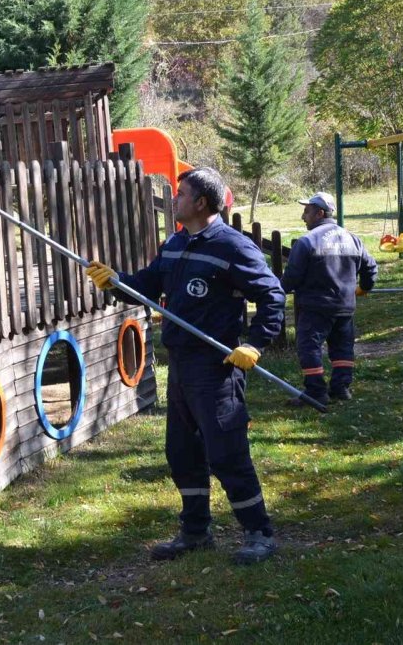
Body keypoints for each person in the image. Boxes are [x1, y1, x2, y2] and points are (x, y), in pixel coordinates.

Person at [86, 167, 285, 565]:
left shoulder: (233, 247)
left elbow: (272, 295)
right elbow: (148, 285)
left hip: (216, 367)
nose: (174, 199)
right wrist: (115, 282)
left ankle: (259, 533)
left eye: (181, 194)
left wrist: (254, 344)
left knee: (226, 453)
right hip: (180, 364)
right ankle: (195, 532)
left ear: (201, 202)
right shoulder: (176, 243)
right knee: (182, 452)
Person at [281, 192, 377, 407]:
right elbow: (370, 267)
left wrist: (275, 293)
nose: (303, 217)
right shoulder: (353, 239)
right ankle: (341, 388)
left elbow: (292, 276)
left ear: (320, 213)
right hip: (345, 307)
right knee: (342, 348)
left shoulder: (307, 242)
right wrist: (364, 287)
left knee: (309, 347)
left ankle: (316, 391)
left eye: (307, 211)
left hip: (315, 307)